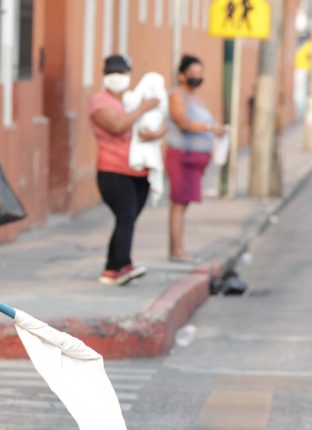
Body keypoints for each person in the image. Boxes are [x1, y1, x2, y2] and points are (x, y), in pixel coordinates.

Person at [89, 54, 166, 286]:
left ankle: (111, 269)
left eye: (121, 73)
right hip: (113, 171)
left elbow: (160, 120)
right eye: (112, 73)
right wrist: (144, 107)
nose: (117, 78)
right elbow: (117, 125)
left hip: (140, 171)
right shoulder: (100, 102)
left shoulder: (133, 98)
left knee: (128, 219)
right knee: (126, 217)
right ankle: (124, 265)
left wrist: (156, 132)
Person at [166, 55, 226, 263]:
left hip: (195, 161)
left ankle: (179, 249)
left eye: (200, 73)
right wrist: (210, 128)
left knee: (184, 205)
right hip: (182, 157)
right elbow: (183, 122)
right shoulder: (177, 95)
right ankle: (177, 250)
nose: (197, 77)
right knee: (178, 205)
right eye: (193, 73)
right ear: (182, 75)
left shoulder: (196, 98)